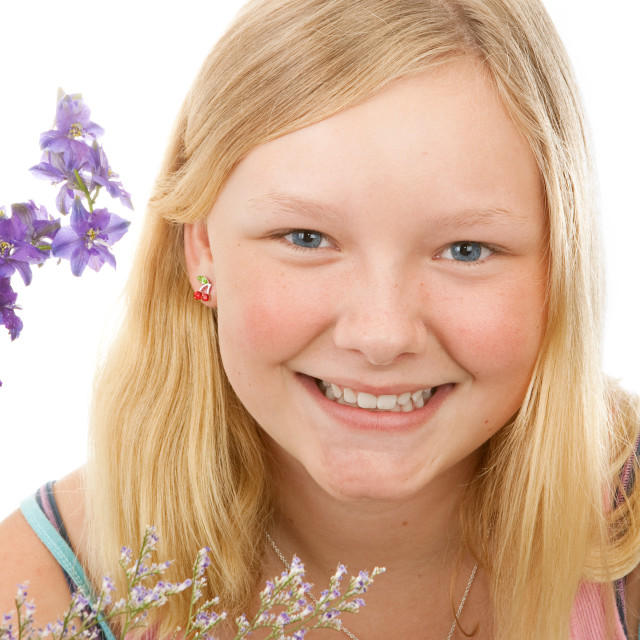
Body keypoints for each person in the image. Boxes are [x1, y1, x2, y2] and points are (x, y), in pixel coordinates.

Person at [1, 0, 639, 638]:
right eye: (306, 238)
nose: (381, 335)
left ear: (560, 267)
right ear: (201, 248)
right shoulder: (43, 593)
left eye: (465, 251)